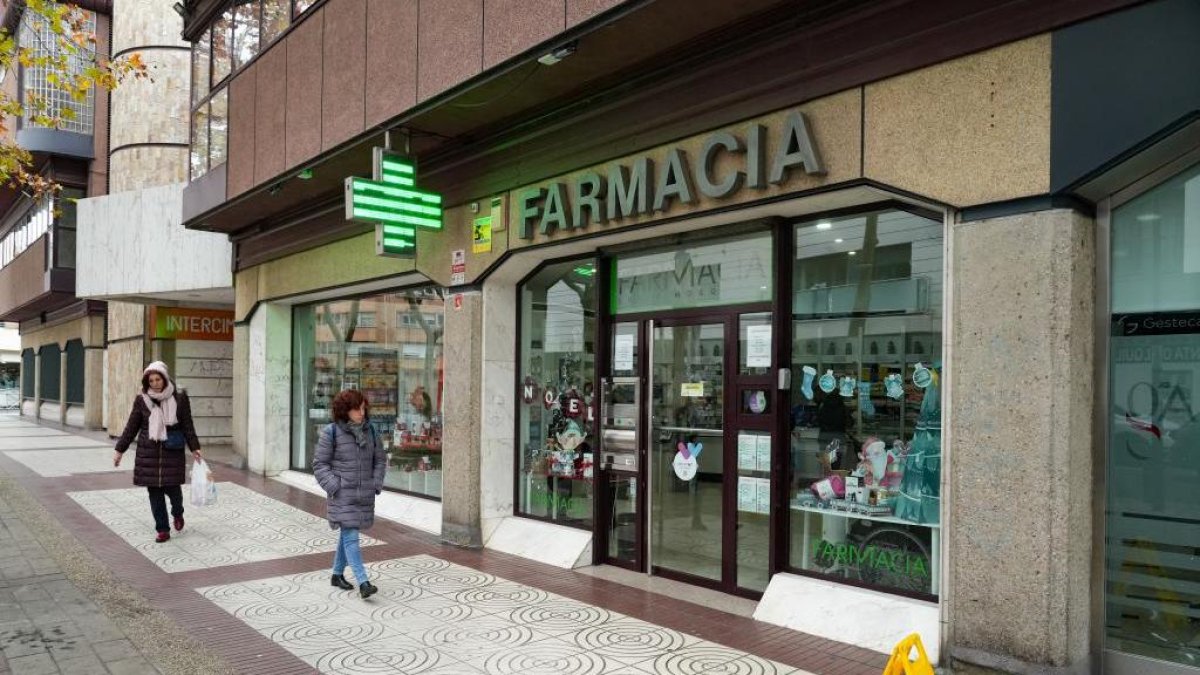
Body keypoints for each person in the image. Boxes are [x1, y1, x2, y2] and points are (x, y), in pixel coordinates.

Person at [112, 362, 202, 543]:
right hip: (149, 452)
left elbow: (187, 424)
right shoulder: (141, 400)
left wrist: (195, 447)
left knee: (174, 491)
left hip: (172, 451)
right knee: (154, 493)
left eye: (158, 379)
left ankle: (178, 513)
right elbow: (132, 426)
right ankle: (162, 529)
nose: (154, 383)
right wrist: (119, 450)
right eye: (151, 380)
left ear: (165, 378)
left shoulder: (180, 398)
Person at [313, 389, 387, 599]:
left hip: (364, 494)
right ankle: (363, 582)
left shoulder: (371, 431)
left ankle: (337, 574)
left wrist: (375, 482)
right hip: (343, 494)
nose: (361, 413)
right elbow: (319, 464)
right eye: (357, 409)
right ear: (345, 410)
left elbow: (380, 459)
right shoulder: (331, 432)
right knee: (351, 535)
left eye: (363, 408)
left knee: (347, 534)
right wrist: (335, 486)